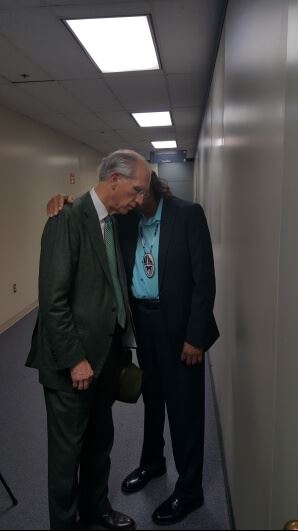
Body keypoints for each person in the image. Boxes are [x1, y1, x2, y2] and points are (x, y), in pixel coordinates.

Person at [46, 171, 219, 526]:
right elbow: (95, 207)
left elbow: (205, 281)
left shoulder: (187, 214)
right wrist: (63, 200)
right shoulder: (125, 221)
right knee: (152, 401)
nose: (133, 200)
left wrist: (196, 337)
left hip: (181, 332)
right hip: (143, 325)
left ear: (152, 187)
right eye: (131, 193)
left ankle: (190, 490)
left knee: (184, 410)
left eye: (140, 192)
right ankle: (152, 463)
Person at [26, 149, 151, 531]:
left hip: (106, 358)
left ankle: (96, 509)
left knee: (100, 443)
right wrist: (75, 359)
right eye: (136, 190)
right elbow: (53, 300)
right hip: (72, 364)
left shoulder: (115, 222)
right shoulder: (66, 219)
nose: (140, 199)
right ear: (113, 179)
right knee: (67, 457)